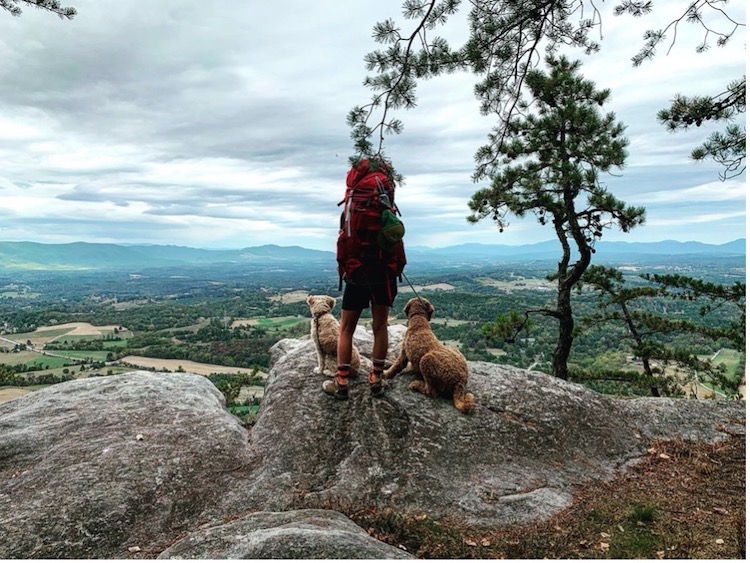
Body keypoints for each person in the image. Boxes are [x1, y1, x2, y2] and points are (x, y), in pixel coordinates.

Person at [323, 158, 405, 400]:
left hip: (357, 271)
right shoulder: (385, 199)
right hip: (384, 271)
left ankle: (341, 382)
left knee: (346, 328)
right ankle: (376, 379)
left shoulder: (354, 200)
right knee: (380, 326)